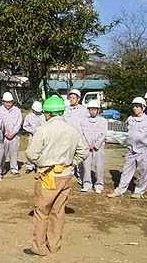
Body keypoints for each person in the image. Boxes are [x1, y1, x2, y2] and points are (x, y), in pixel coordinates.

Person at [25, 95, 88, 257]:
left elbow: (31, 154)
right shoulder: (72, 131)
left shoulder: (43, 130)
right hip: (66, 174)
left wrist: (43, 162)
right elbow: (83, 152)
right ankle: (54, 245)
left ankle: (39, 247)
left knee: (42, 211)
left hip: (48, 176)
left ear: (47, 113)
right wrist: (71, 162)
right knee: (58, 212)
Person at [107, 97, 147, 199]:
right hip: (131, 150)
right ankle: (120, 190)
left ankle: (139, 191)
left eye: (137, 106)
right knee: (126, 171)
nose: (135, 108)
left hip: (143, 152)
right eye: (134, 106)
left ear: (143, 108)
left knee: (143, 172)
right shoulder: (130, 119)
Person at [80, 100, 108, 194]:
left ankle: (99, 185)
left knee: (99, 167)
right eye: (91, 109)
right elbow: (82, 134)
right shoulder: (84, 121)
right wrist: (87, 145)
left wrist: (95, 145)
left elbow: (103, 134)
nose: (93, 111)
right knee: (86, 166)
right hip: (87, 147)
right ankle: (87, 184)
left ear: (98, 110)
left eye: (95, 109)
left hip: (98, 148)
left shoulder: (103, 121)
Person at [63, 89, 89, 184]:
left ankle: (81, 177)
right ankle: (69, 176)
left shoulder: (84, 110)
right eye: (70, 98)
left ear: (78, 99)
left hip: (81, 137)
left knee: (81, 158)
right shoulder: (65, 110)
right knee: (69, 157)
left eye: (74, 98)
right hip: (69, 138)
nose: (71, 99)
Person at [0, 91, 22, 176]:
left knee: (14, 153)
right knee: (2, 154)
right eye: (6, 102)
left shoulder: (17, 110)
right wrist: (5, 133)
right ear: (3, 102)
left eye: (10, 102)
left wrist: (13, 133)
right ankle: (1, 169)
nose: (8, 104)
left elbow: (19, 123)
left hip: (14, 136)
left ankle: (14, 169)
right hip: (3, 137)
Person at [23, 101, 45, 174]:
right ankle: (30, 166)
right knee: (30, 152)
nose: (37, 113)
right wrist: (32, 131)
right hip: (32, 137)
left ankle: (39, 166)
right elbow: (25, 126)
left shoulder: (43, 116)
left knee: (41, 152)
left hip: (41, 137)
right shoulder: (29, 117)